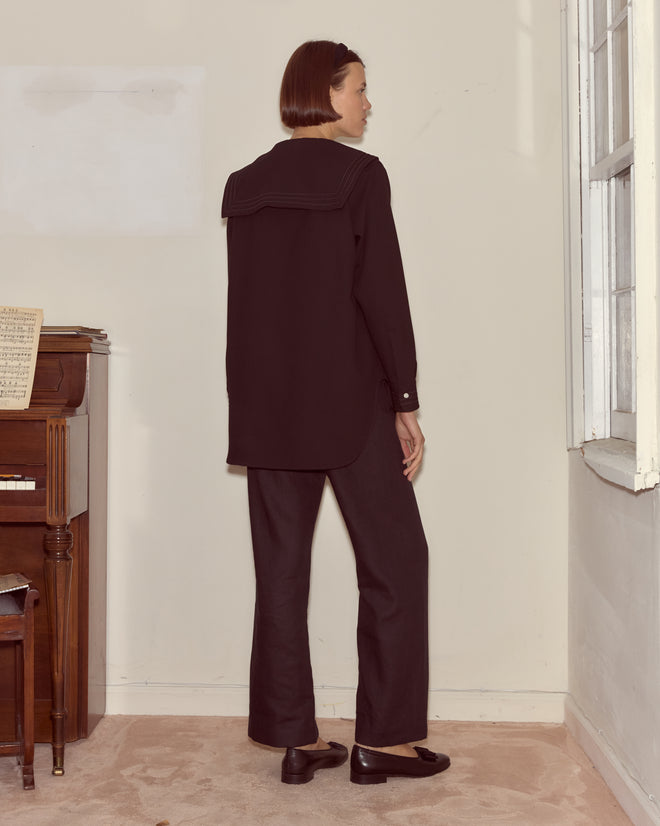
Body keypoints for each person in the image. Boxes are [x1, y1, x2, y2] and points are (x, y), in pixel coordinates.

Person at [221, 39, 450, 785]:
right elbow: (381, 294)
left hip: (268, 409)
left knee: (281, 575)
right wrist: (405, 399)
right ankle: (381, 739)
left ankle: (294, 740)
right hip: (351, 404)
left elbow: (250, 308)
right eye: (359, 87)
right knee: (395, 564)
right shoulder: (360, 175)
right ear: (324, 91)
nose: (367, 101)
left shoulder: (245, 185)